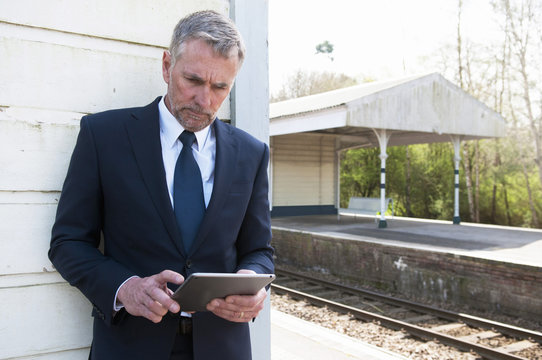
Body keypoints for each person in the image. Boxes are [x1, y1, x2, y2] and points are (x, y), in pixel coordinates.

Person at [49, 10, 274, 360]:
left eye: (220, 87)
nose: (205, 100)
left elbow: (259, 250)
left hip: (224, 347)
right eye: (193, 80)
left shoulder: (252, 153)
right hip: (130, 346)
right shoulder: (104, 137)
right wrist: (125, 289)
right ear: (167, 66)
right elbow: (68, 242)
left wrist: (251, 283)